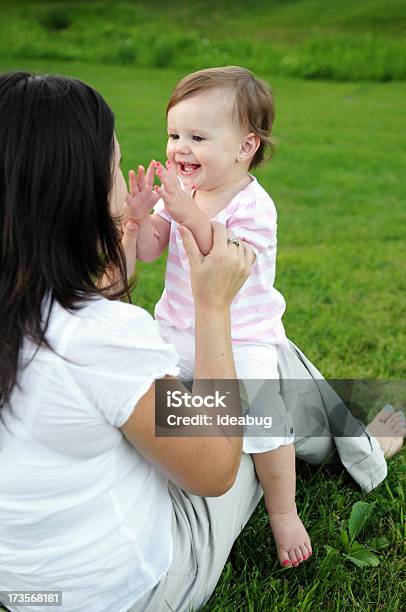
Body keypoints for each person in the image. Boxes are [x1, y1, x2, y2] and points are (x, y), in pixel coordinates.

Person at [125, 66, 406, 569]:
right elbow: (149, 251)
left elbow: (226, 258)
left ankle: (283, 513)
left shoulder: (253, 205)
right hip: (174, 328)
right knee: (159, 405)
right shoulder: (181, 197)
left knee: (263, 421)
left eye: (197, 137)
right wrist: (140, 215)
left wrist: (183, 212)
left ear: (245, 147)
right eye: (173, 134)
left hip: (242, 338)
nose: (179, 148)